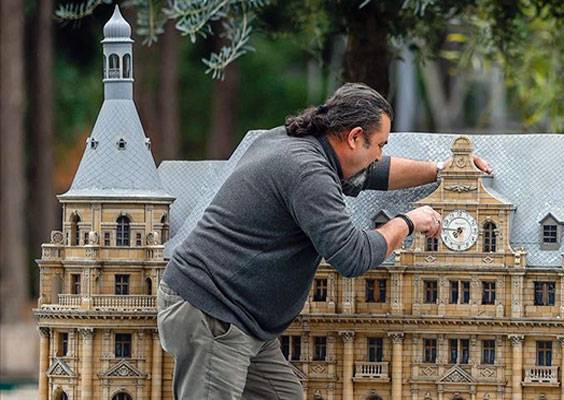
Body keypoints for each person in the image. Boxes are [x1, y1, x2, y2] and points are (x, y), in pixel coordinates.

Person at [156, 83, 491, 399]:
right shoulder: (308, 172)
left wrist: (444, 170)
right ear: (355, 137)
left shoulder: (296, 142)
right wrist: (408, 222)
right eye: (380, 144)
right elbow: (352, 256)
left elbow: (375, 171)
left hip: (245, 322)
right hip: (213, 315)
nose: (380, 154)